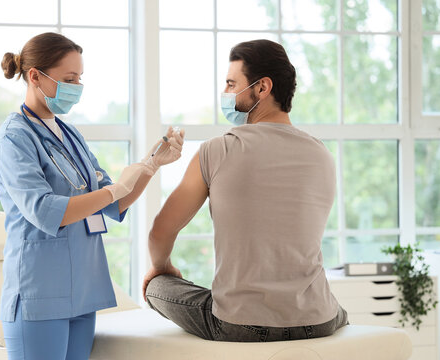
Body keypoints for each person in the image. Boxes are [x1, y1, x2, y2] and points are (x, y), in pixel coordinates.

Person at [0, 32, 184, 360]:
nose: (76, 87)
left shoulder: (70, 134)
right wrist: (116, 188)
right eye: (69, 79)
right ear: (35, 76)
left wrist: (151, 165)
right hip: (40, 294)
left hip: (81, 291)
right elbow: (43, 209)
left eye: (79, 78)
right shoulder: (14, 138)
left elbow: (113, 202)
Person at [142, 39, 348, 342]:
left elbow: (160, 231)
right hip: (318, 319)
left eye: (230, 84)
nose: (225, 94)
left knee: (157, 285)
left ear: (263, 88)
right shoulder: (322, 154)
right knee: (333, 307)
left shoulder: (217, 150)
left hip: (241, 323)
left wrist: (162, 267)